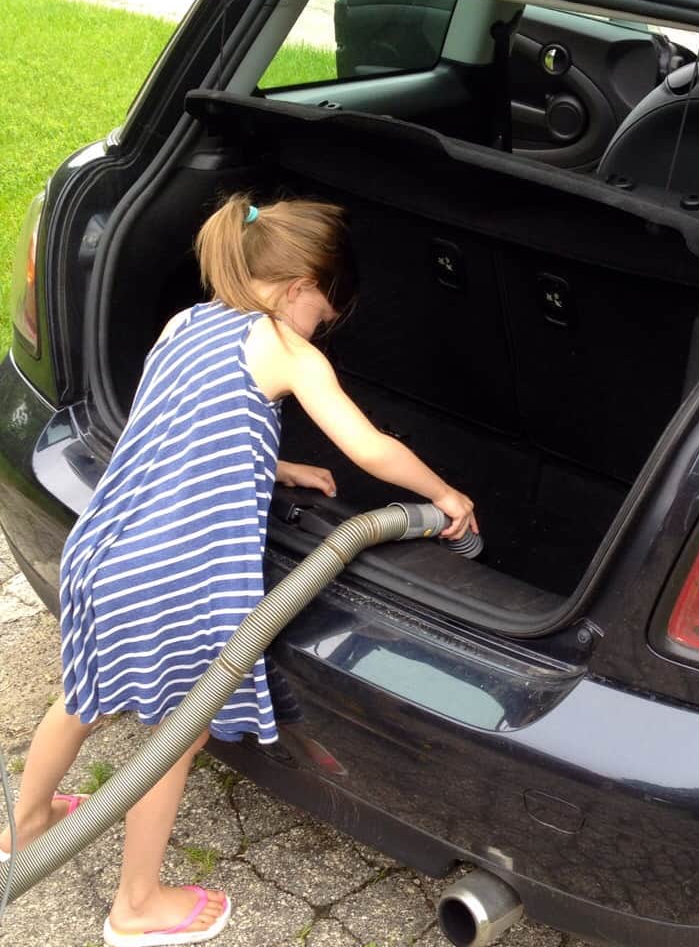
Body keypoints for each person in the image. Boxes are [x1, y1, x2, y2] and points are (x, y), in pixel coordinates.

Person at [0, 193, 477, 946]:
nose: (325, 322)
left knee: (83, 691)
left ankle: (26, 825)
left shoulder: (185, 323)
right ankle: (137, 904)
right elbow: (369, 449)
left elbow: (186, 416)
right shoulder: (288, 350)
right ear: (298, 288)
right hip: (172, 575)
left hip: (107, 544)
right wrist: (443, 493)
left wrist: (274, 463)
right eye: (328, 306)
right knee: (174, 734)